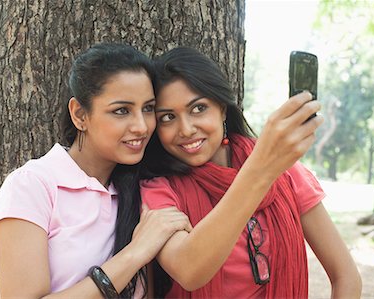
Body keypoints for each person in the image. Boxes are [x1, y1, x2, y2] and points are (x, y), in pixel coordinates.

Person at [140, 47, 362, 298]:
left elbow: (345, 275)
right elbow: (189, 271)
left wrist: (268, 166)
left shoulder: (284, 171)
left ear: (222, 109)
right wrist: (261, 170)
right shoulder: (158, 190)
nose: (187, 129)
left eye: (198, 108)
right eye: (168, 117)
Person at [0, 43, 192, 299]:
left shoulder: (141, 191)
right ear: (80, 115)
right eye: (121, 111)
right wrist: (136, 252)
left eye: (148, 108)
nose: (141, 126)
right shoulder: (32, 186)